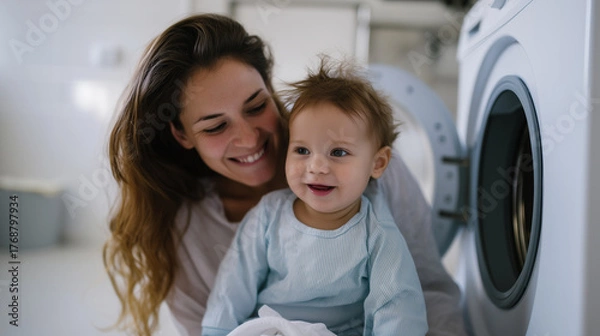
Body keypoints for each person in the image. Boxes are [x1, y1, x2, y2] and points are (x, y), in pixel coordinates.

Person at [103, 13, 467, 336]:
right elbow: (215, 317)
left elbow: (423, 289)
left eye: (257, 106)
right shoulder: (189, 233)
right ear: (181, 134)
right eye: (215, 127)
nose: (248, 139)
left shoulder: (365, 173)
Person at [201, 58, 428, 336]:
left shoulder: (376, 232)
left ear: (377, 164)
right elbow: (233, 285)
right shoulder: (269, 215)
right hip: (272, 328)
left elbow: (396, 304)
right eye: (302, 151)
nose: (317, 167)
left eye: (338, 153)